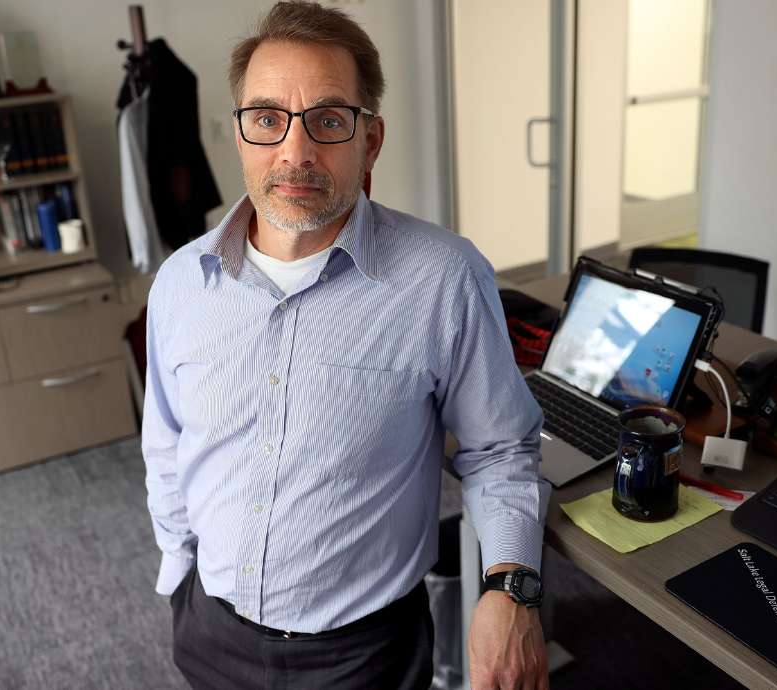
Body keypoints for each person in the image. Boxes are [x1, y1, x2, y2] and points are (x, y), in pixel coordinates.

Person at [141, 3, 550, 688]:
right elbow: (166, 444)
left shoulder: (443, 277)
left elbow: (500, 449)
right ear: (239, 133)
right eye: (268, 119)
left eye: (328, 120)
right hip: (209, 631)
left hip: (364, 656)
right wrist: (179, 575)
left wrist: (509, 590)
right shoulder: (183, 281)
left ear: (371, 140)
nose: (294, 152)